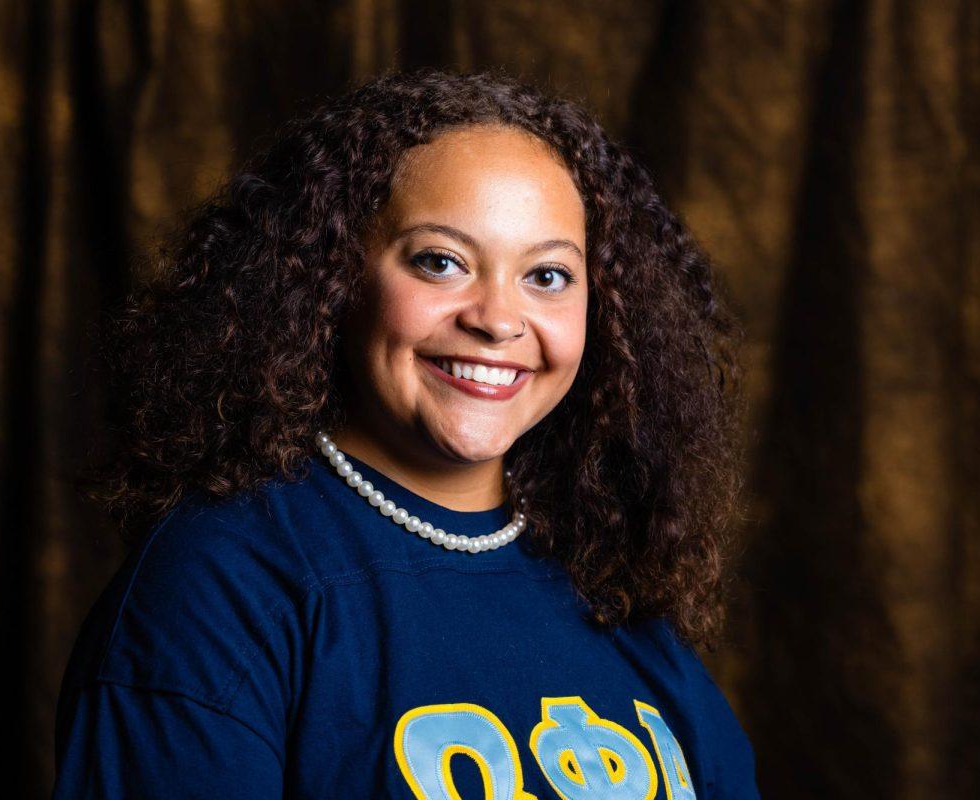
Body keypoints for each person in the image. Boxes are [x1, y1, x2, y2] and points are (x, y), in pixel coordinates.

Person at [52, 66, 759, 798]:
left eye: (547, 276)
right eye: (440, 262)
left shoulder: (614, 589)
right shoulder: (219, 590)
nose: (498, 320)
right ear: (333, 276)